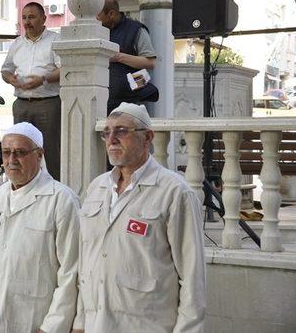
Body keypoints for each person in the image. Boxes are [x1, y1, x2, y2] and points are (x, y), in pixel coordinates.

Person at [73, 103, 205, 333]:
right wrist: (80, 322)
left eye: (121, 131)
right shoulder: (97, 187)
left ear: (148, 138)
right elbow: (87, 260)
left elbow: (193, 277)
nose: (111, 139)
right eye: (107, 132)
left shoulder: (174, 192)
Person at [0, 122, 80, 333]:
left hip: (36, 322)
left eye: (20, 152)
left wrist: (52, 327)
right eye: (6, 152)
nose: (11, 160)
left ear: (39, 154)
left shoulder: (61, 200)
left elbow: (71, 271)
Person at [1, 2, 61, 180]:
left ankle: (53, 189)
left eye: (32, 17)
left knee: (49, 150)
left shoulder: (55, 40)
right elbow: (5, 69)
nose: (27, 21)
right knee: (20, 148)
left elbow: (65, 69)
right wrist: (10, 78)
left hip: (48, 103)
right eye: (24, 17)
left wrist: (42, 79)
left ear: (43, 19)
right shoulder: (17, 43)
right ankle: (23, 183)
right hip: (21, 104)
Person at [97, 0, 158, 114]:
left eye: (98, 15)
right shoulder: (98, 30)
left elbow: (150, 62)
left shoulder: (136, 29)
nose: (96, 18)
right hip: (102, 99)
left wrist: (119, 57)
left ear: (111, 13)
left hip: (130, 103)